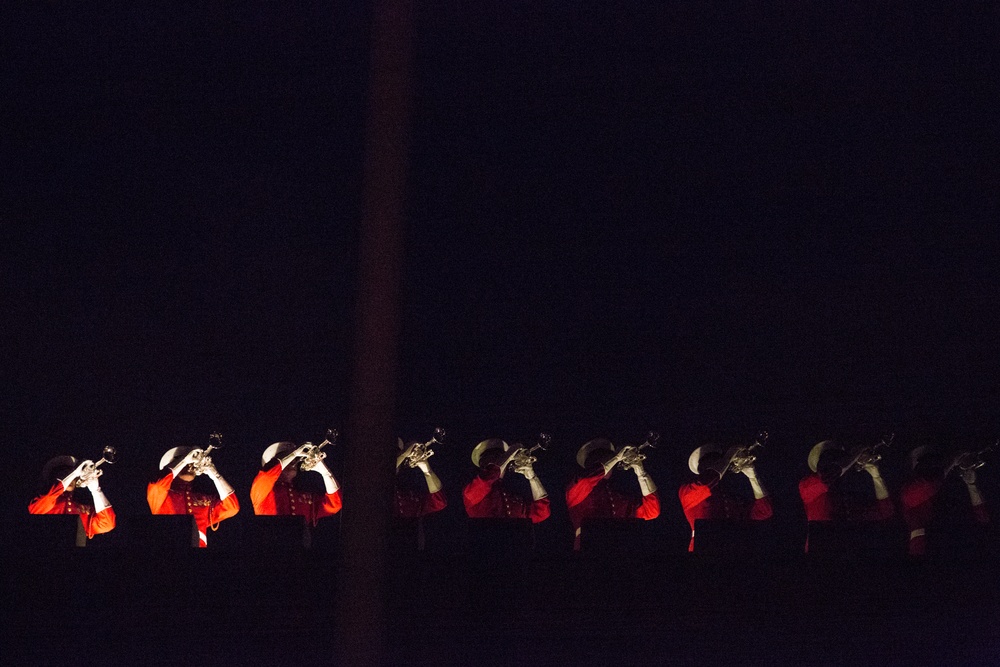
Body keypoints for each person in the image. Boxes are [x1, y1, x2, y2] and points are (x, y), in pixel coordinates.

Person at [798, 440, 894, 552]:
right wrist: (856, 453)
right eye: (831, 460)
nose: (837, 462)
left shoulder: (849, 497)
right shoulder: (807, 484)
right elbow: (830, 474)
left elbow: (885, 512)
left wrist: (876, 476)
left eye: (837, 458)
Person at [565, 437, 659, 550]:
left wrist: (641, 471)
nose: (611, 466)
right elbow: (586, 480)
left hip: (619, 547)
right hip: (589, 545)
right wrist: (616, 458)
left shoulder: (617, 496)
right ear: (591, 465)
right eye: (605, 461)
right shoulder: (576, 487)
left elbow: (653, 511)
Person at [678, 444, 772, 552]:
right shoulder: (687, 489)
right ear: (702, 468)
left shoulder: (730, 495)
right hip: (705, 548)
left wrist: (753, 476)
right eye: (716, 463)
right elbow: (708, 481)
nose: (724, 466)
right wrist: (728, 456)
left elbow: (764, 511)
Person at [901, 446, 990, 556]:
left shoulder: (944, 483)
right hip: (934, 555)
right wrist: (954, 460)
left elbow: (983, 518)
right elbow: (931, 483)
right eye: (926, 460)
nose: (933, 463)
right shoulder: (909, 491)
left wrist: (971, 485)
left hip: (959, 547)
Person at [147, 446, 239, 547]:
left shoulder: (202, 499)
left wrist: (215, 474)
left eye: (191, 462)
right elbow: (157, 485)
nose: (191, 465)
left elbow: (232, 508)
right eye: (187, 463)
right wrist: (184, 460)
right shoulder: (162, 497)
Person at [250, 441, 342, 524]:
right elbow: (267, 475)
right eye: (288, 458)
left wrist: (325, 472)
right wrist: (293, 454)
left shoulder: (301, 494)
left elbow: (334, 505)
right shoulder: (262, 492)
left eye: (293, 460)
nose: (293, 462)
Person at [462, 438, 550, 523]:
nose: (506, 462)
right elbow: (489, 476)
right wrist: (509, 454)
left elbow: (542, 512)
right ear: (483, 464)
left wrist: (533, 478)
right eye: (498, 459)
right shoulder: (471, 490)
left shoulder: (510, 493)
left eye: (504, 459)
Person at [29, 455, 116, 539]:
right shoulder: (41, 502)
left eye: (71, 474)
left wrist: (96, 490)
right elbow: (48, 499)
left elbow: (107, 524)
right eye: (64, 474)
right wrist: (74, 473)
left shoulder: (82, 509)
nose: (71, 479)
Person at [394, 436, 447, 518]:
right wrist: (404, 453)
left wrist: (426, 468)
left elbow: (439, 502)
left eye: (398, 453)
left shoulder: (407, 494)